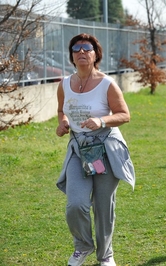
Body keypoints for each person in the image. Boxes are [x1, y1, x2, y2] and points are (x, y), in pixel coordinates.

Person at [55, 33, 135, 266]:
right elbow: (61, 111)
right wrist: (63, 123)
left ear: (95, 54)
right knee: (75, 204)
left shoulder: (107, 83)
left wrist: (101, 121)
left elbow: (125, 115)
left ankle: (106, 255)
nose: (81, 52)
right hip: (79, 149)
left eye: (86, 48)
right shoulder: (64, 84)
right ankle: (83, 246)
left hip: (105, 149)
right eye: (76, 48)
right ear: (71, 55)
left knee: (103, 206)